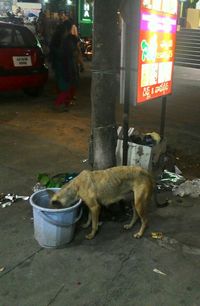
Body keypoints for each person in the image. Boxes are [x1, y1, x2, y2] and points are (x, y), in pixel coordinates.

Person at [49, 20, 80, 111]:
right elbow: (66, 54)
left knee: (65, 84)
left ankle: (64, 101)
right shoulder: (65, 39)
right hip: (64, 65)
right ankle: (59, 103)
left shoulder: (61, 37)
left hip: (61, 64)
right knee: (66, 85)